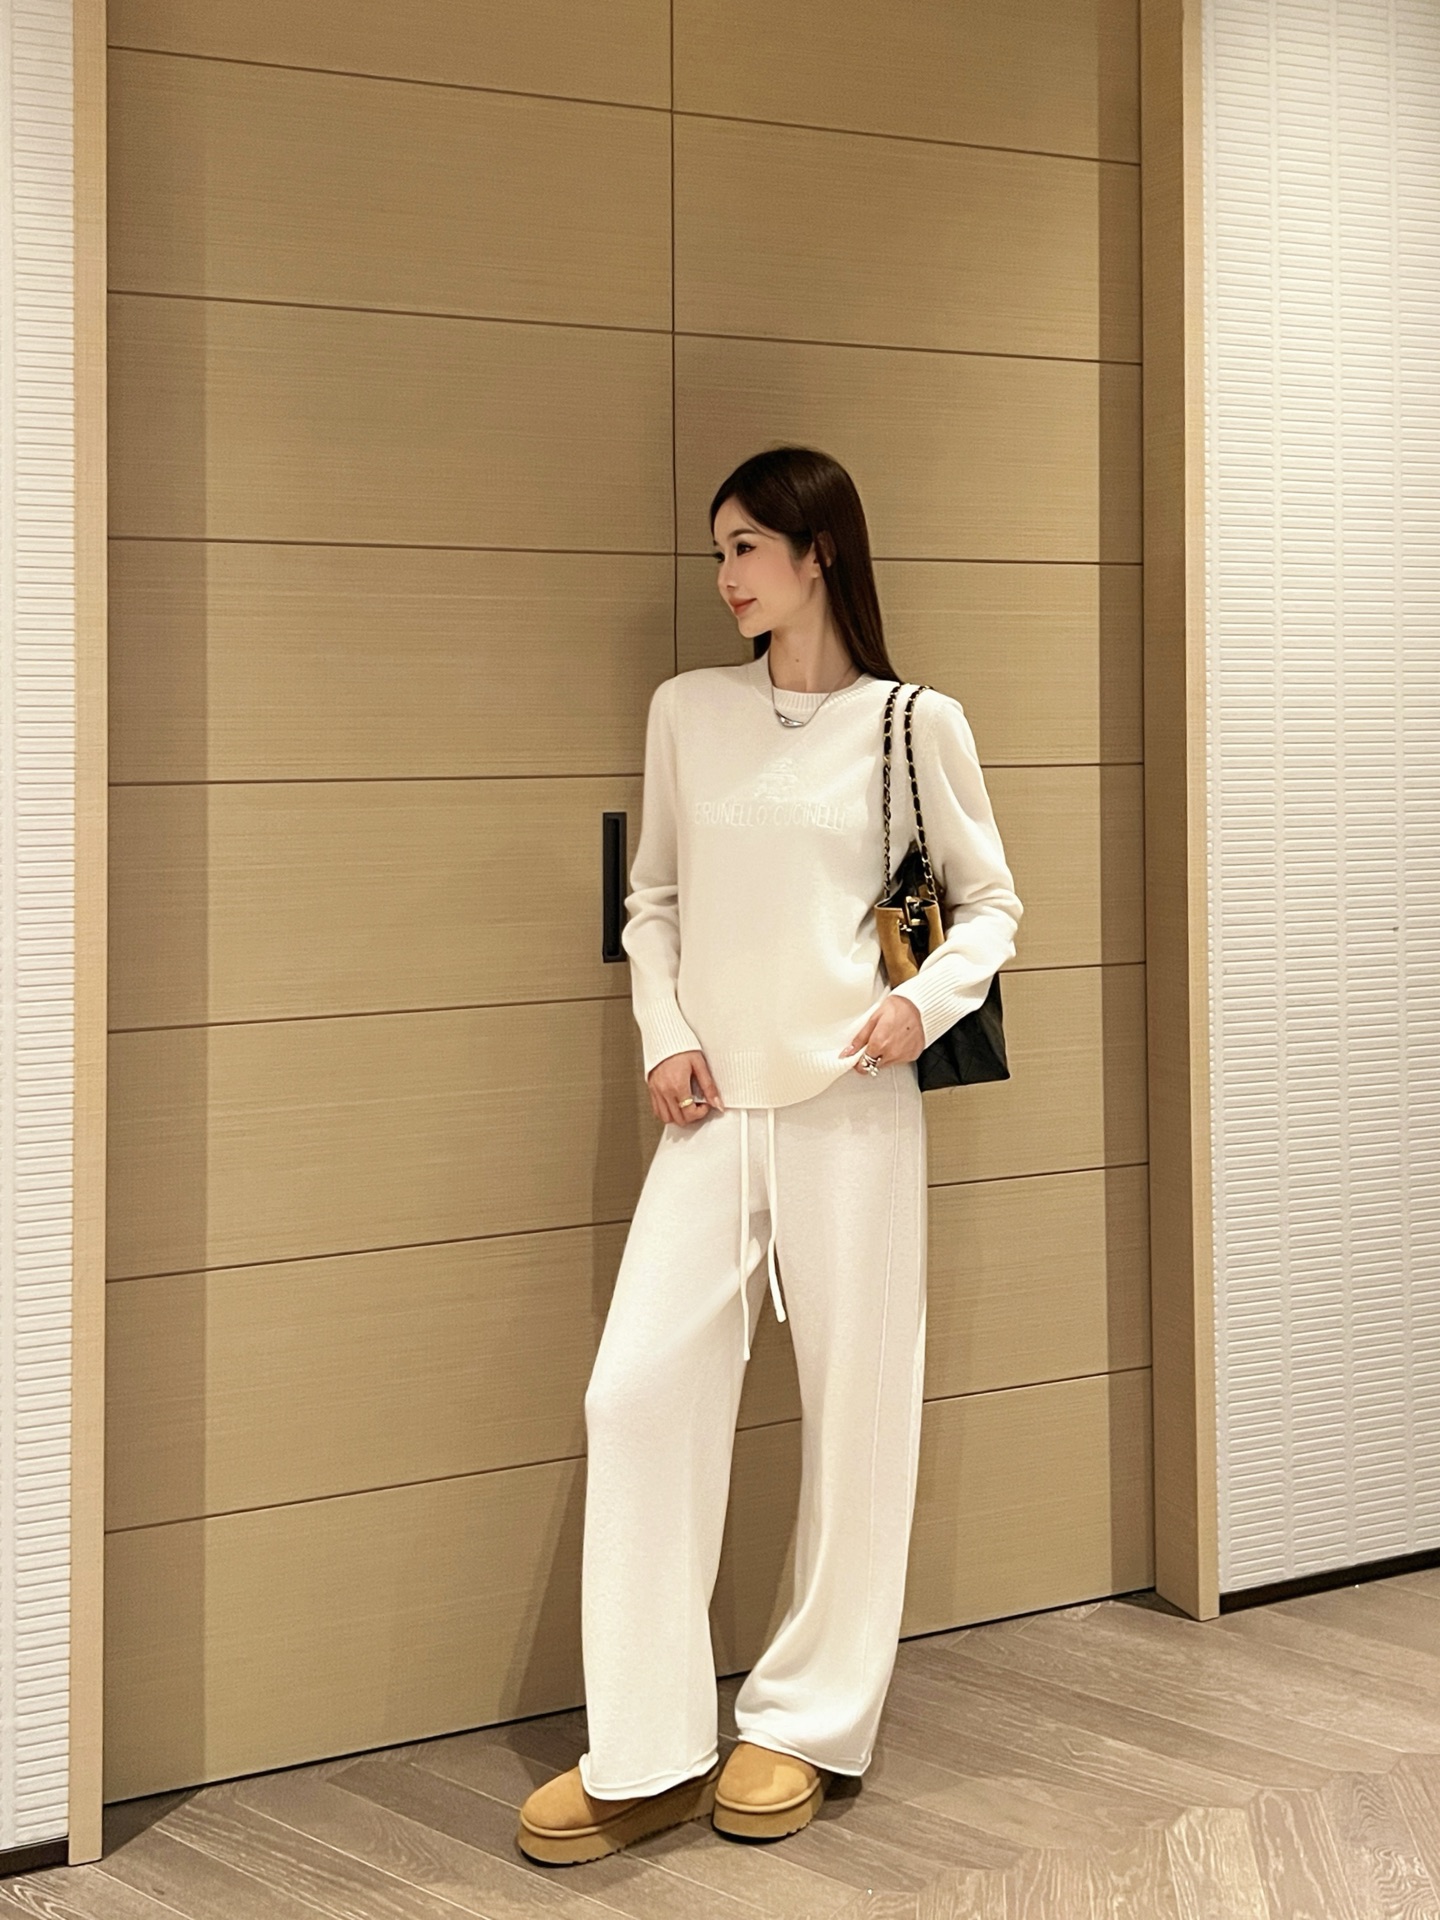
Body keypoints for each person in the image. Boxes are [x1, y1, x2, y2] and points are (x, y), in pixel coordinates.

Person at [516, 445, 1023, 1866]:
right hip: (714, 1108)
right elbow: (655, 899)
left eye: (747, 546)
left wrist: (920, 1002)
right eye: (720, 551)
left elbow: (988, 902)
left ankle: (803, 1722)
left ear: (819, 552)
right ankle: (647, 1747)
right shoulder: (689, 710)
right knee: (635, 1394)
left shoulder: (911, 724)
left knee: (859, 1413)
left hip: (854, 1103)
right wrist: (661, 1033)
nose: (728, 574)